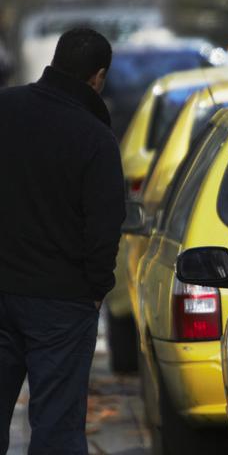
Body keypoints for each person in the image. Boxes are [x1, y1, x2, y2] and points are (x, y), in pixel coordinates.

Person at [0, 28, 125, 454]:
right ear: (98, 77)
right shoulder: (95, 139)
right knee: (56, 425)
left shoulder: (6, 107)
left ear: (55, 61)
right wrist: (95, 288)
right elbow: (105, 224)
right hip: (61, 301)